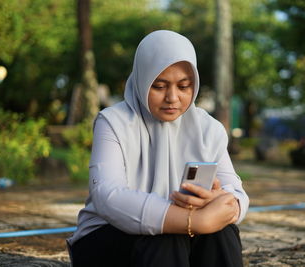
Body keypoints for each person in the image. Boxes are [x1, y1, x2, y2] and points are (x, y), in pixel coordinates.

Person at [67, 30, 249, 267]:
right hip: (107, 241)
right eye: (160, 86)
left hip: (180, 240)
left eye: (184, 86)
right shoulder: (113, 121)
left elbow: (235, 190)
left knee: (222, 233)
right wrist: (195, 221)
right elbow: (108, 196)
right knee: (165, 237)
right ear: (142, 80)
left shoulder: (208, 129)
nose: (172, 98)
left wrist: (222, 202)